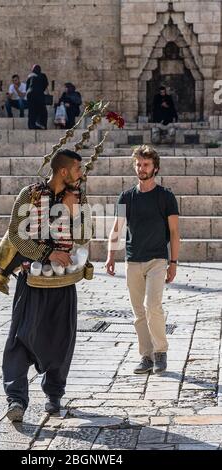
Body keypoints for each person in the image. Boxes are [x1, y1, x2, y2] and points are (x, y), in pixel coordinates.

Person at [2, 149, 92, 422]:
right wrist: (47, 254)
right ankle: (16, 399)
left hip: (63, 283)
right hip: (32, 282)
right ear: (63, 171)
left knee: (61, 340)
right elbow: (16, 237)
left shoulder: (79, 197)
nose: (81, 173)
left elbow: (85, 235)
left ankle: (54, 395)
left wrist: (72, 210)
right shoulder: (28, 195)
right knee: (20, 339)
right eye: (77, 168)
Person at [105, 145, 180, 375]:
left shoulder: (166, 197)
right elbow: (116, 229)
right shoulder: (125, 196)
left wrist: (173, 262)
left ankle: (161, 352)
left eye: (146, 164)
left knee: (152, 306)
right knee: (138, 312)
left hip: (157, 260)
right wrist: (110, 255)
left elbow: (175, 232)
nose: (141, 168)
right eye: (138, 164)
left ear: (155, 167)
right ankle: (146, 356)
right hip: (133, 260)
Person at [26, 64, 49, 129]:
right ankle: (42, 124)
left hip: (30, 95)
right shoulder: (43, 75)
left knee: (32, 111)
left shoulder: (30, 76)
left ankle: (31, 125)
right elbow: (45, 85)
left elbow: (27, 87)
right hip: (39, 95)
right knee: (42, 110)